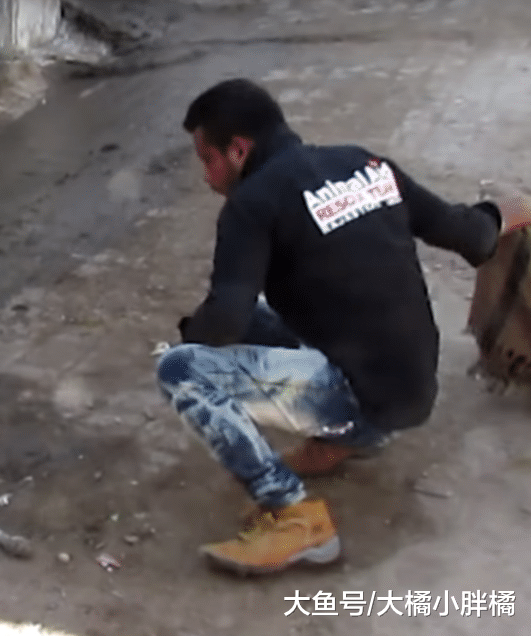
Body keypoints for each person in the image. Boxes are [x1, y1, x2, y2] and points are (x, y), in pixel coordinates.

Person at [155, 78, 531, 575]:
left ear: (239, 149)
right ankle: (351, 438)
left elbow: (225, 319)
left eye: (209, 160)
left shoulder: (251, 205)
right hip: (413, 387)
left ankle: (294, 517)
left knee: (183, 369)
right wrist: (506, 210)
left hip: (361, 396)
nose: (207, 177)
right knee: (269, 310)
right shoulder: (365, 164)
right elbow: (472, 236)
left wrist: (194, 343)